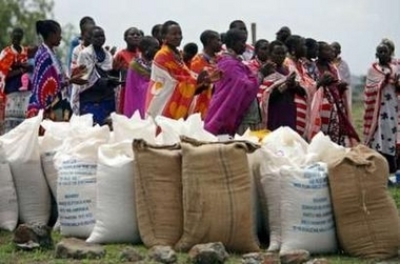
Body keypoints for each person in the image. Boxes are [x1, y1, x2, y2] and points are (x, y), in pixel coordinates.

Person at [145, 20, 210, 120]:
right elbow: (172, 82)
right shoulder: (162, 55)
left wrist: (204, 80)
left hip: (174, 102)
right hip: (163, 103)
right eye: (174, 34)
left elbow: (186, 75)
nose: (178, 36)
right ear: (164, 37)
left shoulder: (176, 54)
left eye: (180, 33)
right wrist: (197, 80)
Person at [28, 20, 87, 121]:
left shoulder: (51, 53)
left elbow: (57, 77)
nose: (61, 37)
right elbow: (49, 85)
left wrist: (74, 74)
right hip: (48, 107)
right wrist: (71, 81)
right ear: (51, 35)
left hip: (57, 102)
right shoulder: (44, 56)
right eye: (59, 34)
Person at [204, 28, 259, 136]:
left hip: (237, 113)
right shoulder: (230, 64)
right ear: (233, 43)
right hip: (233, 115)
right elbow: (244, 86)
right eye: (242, 42)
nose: (245, 45)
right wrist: (260, 75)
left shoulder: (236, 62)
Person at [308, 41, 359, 146]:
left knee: (333, 140)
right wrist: (322, 82)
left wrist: (339, 87)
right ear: (319, 52)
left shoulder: (333, 68)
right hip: (318, 109)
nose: (332, 52)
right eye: (327, 50)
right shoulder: (312, 67)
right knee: (319, 139)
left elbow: (336, 85)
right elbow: (310, 86)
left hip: (334, 108)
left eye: (331, 50)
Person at [364, 43, 400, 173]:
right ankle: (377, 166)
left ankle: (391, 166)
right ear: (376, 54)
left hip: (392, 109)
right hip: (377, 111)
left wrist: (396, 83)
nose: (383, 54)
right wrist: (381, 83)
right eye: (380, 51)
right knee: (378, 135)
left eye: (385, 51)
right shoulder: (373, 70)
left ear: (390, 54)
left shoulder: (395, 69)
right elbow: (369, 88)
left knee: (391, 134)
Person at [74, 26, 118, 125]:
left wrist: (114, 79)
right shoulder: (84, 54)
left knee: (108, 128)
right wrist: (105, 81)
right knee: (92, 128)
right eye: (97, 36)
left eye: (102, 36)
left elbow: (108, 73)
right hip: (90, 97)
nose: (100, 38)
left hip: (107, 97)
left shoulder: (108, 55)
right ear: (91, 39)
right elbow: (85, 77)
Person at [260, 40, 307, 133]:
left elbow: (303, 92)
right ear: (269, 54)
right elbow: (266, 96)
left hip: (289, 110)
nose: (281, 56)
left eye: (283, 53)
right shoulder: (266, 71)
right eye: (277, 53)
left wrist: (293, 84)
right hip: (274, 112)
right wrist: (285, 85)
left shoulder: (289, 70)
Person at [0, 28, 31, 134]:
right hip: (11, 93)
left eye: (19, 35)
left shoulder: (26, 52)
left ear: (22, 37)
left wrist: (23, 68)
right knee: (10, 126)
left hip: (25, 94)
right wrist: (21, 69)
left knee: (22, 126)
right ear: (11, 36)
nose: (17, 37)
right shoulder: (6, 53)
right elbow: (4, 74)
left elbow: (31, 68)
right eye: (15, 35)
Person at [284, 35, 316, 136]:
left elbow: (306, 85)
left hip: (302, 110)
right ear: (293, 49)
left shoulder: (301, 65)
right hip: (292, 111)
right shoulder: (287, 64)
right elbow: (299, 88)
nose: (305, 48)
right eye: (302, 45)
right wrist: (319, 84)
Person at [124, 36, 160, 118]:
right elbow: (139, 87)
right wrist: (157, 84)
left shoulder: (154, 64)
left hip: (151, 101)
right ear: (145, 48)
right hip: (138, 101)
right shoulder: (135, 64)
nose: (158, 51)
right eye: (155, 48)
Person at [190, 30, 222, 119]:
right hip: (201, 108)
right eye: (218, 40)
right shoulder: (196, 62)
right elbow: (192, 87)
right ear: (209, 41)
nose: (221, 43)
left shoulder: (221, 60)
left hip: (219, 107)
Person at [112, 27, 142, 113]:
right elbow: (114, 72)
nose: (135, 36)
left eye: (138, 34)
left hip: (139, 90)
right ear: (125, 38)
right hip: (125, 91)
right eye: (132, 34)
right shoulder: (120, 55)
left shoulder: (142, 54)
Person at [331, 41, 352, 109]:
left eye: (336, 48)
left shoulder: (344, 64)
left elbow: (347, 80)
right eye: (332, 48)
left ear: (339, 51)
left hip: (341, 92)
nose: (334, 50)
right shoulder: (326, 63)